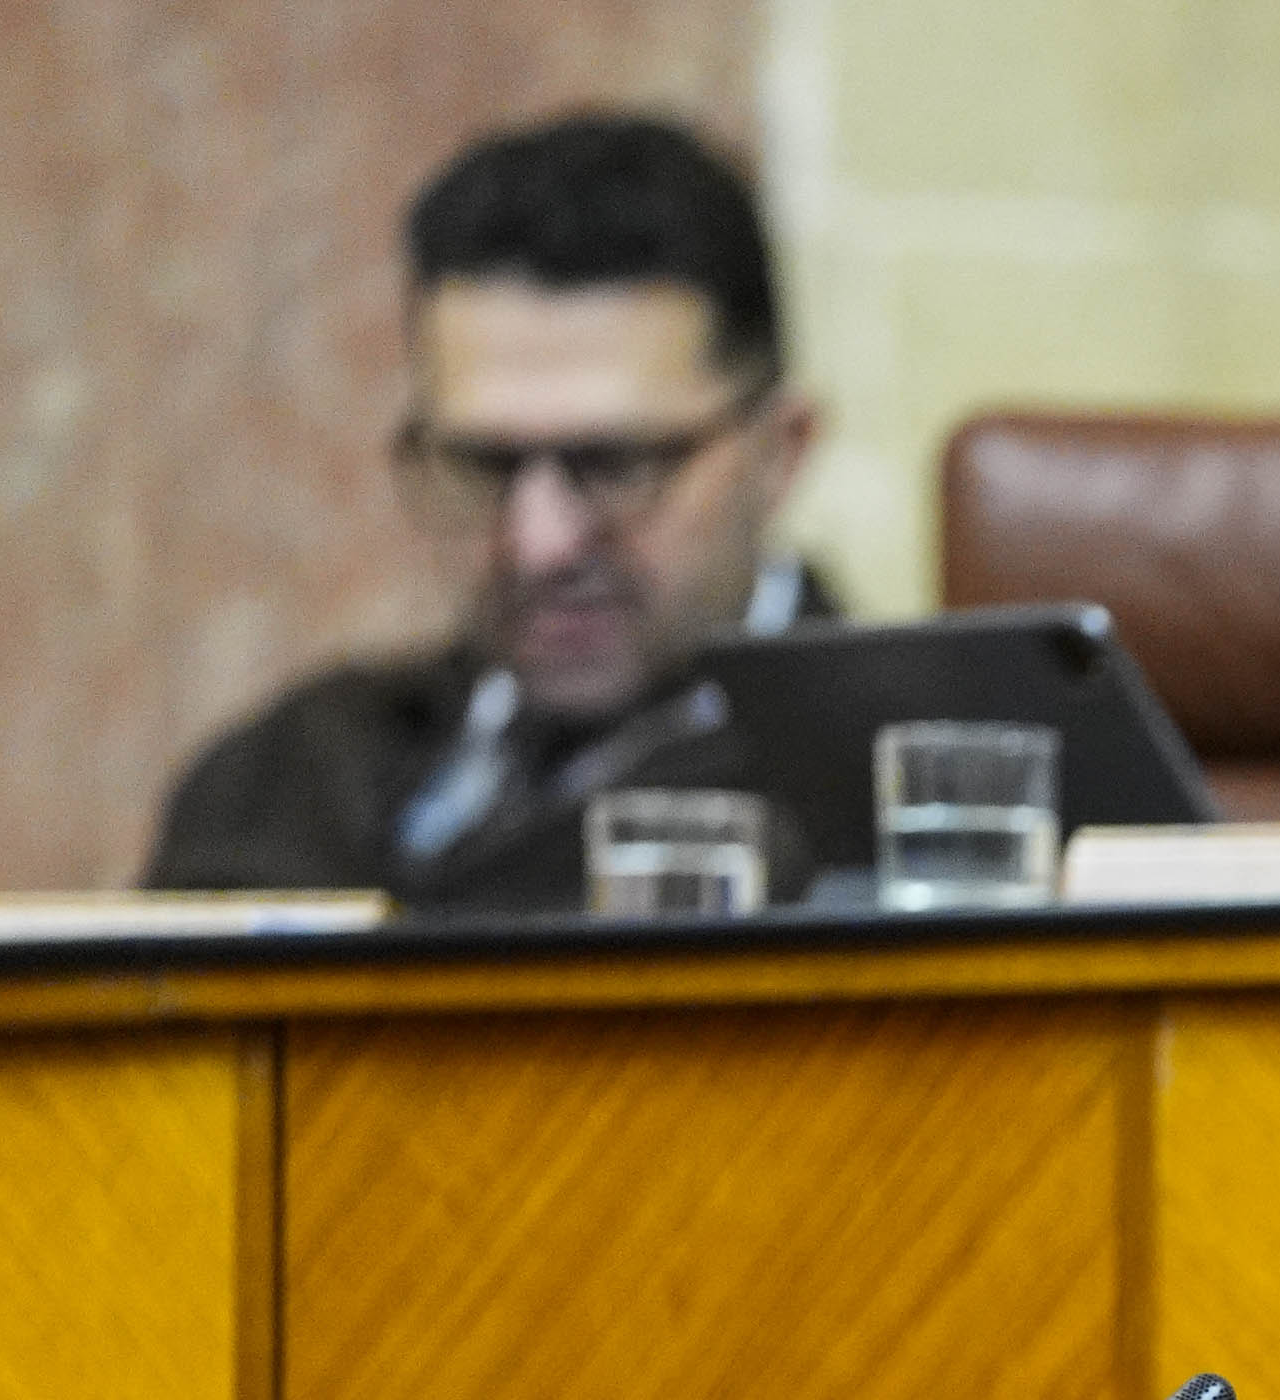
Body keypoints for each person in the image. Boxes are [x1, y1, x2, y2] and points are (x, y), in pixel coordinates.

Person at [146, 114, 830, 910]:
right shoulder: (280, 777)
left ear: (779, 452)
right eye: (483, 465)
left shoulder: (885, 816)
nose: (540, 544)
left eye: (615, 465)